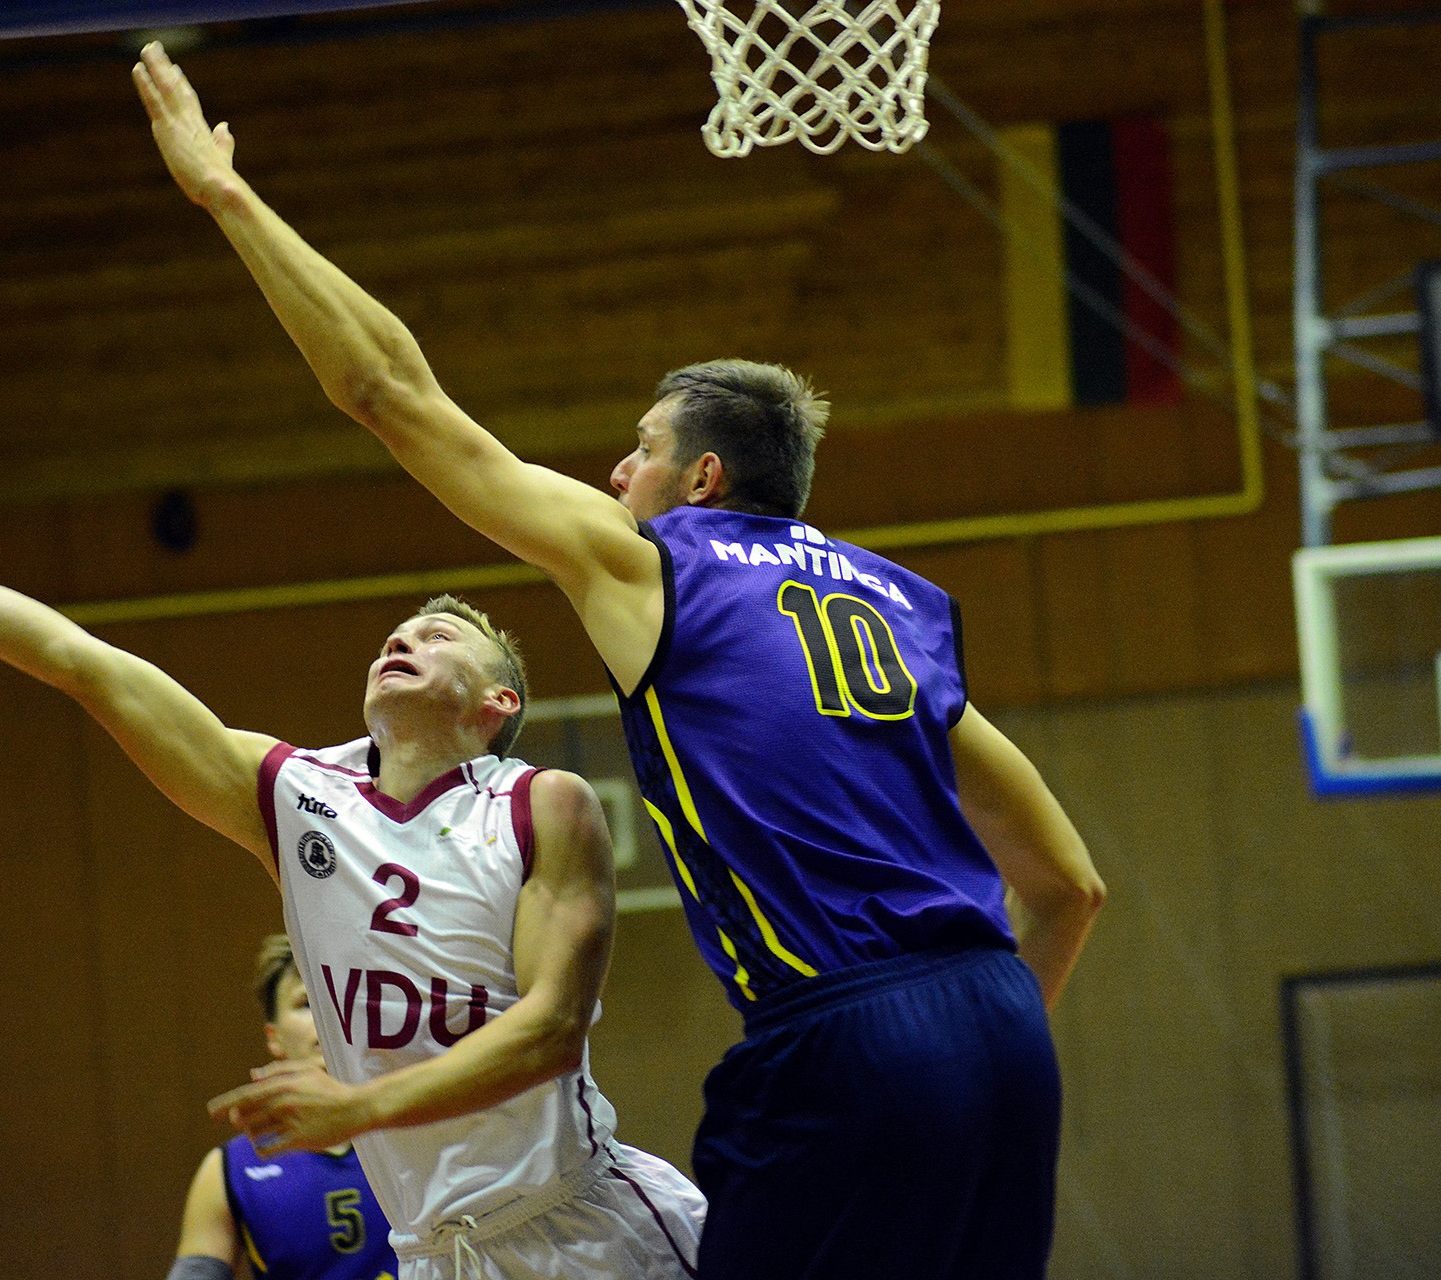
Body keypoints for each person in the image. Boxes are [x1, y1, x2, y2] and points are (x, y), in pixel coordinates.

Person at [133, 41, 1108, 1280]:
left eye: (639, 449)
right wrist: (976, 1059)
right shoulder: (898, 614)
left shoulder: (661, 563)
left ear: (703, 477)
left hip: (841, 1030)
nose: (614, 473)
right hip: (1003, 1032)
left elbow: (388, 391)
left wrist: (227, 196)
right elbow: (1069, 884)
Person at [0, 448, 703, 1280]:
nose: (403, 641)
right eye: (396, 635)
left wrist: (361, 1108)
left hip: (582, 1226)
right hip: (431, 1255)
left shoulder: (541, 802)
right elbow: (81, 662)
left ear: (497, 702)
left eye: (438, 637)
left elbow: (552, 1032)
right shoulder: (295, 794)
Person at [173, 934, 398, 1280]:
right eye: (307, 1003)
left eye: (339, 997)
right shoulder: (230, 1168)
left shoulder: (420, 1123)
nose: (328, 1015)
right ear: (273, 1037)